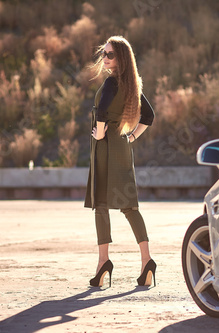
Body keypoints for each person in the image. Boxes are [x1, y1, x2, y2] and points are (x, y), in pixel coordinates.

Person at [85, 36, 156, 288]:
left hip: (105, 147)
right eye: (103, 53)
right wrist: (132, 136)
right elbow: (148, 116)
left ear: (122, 58)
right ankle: (147, 261)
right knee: (129, 206)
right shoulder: (132, 84)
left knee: (101, 204)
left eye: (110, 54)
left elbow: (102, 111)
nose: (105, 58)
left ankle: (104, 262)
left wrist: (101, 132)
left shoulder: (112, 82)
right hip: (122, 147)